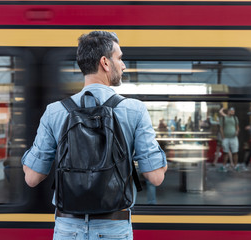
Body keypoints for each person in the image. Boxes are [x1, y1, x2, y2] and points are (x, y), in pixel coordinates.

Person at [21, 31, 167, 240]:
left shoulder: (55, 111)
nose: (123, 65)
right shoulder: (134, 110)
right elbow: (156, 177)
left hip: (67, 229)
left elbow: (32, 178)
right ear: (105, 62)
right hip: (114, 228)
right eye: (120, 58)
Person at [219, 107, 240, 172]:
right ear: (228, 111)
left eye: (233, 111)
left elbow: (237, 127)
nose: (232, 112)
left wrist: (237, 132)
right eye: (231, 111)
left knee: (235, 152)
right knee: (225, 152)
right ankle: (224, 166)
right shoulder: (223, 118)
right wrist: (222, 136)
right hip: (226, 138)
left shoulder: (235, 118)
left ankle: (235, 166)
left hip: (234, 138)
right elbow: (221, 128)